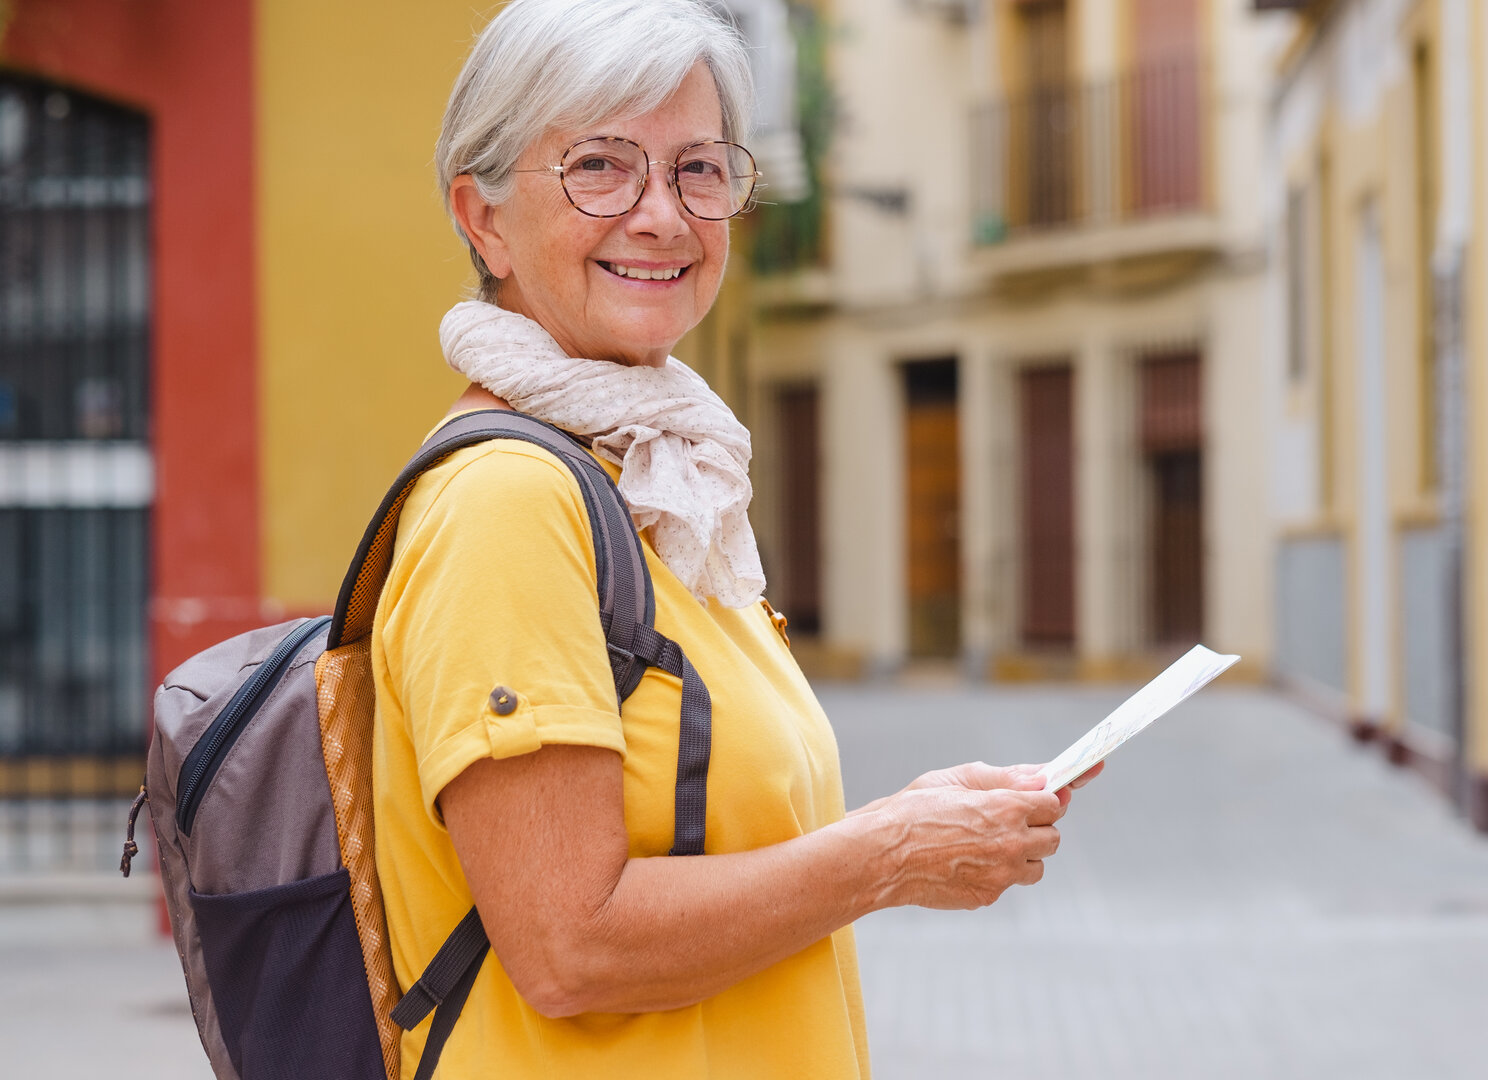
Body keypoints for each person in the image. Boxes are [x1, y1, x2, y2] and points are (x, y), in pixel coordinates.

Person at [371, 1, 1102, 1076]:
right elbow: (571, 944)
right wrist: (885, 854)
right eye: (601, 168)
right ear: (481, 219)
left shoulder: (662, 482)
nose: (661, 216)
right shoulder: (509, 501)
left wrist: (906, 819)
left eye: (699, 171)